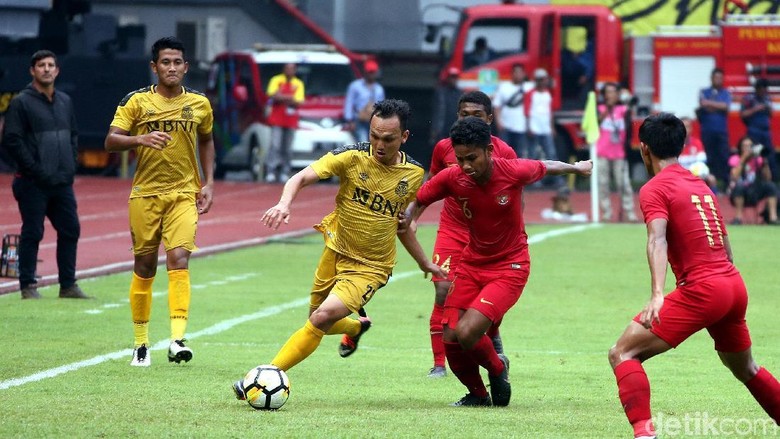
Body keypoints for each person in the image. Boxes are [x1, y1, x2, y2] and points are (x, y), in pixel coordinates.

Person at [232, 99, 445, 400]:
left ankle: (265, 375)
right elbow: (301, 176)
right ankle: (357, 328)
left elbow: (403, 225)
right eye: (374, 135)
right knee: (316, 317)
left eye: (388, 139)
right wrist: (284, 202)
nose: (379, 144)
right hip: (335, 250)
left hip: (372, 266)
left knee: (320, 318)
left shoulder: (412, 174)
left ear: (404, 137)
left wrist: (425, 263)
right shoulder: (352, 157)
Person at [608, 113, 780, 439]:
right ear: (682, 146)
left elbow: (656, 238)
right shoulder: (699, 184)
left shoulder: (654, 188)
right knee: (746, 368)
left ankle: (645, 435)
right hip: (733, 286)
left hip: (704, 290)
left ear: (644, 149)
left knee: (622, 352)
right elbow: (727, 249)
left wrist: (658, 293)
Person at [405, 116, 592, 407]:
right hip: (471, 264)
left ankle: (497, 368)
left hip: (510, 267)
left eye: (473, 158)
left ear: (489, 151)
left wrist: (577, 168)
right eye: (461, 158)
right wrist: (411, 216)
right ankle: (478, 395)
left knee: (468, 332)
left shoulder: (512, 171)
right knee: (451, 337)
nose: (466, 166)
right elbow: (420, 197)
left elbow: (546, 166)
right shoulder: (454, 177)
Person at [104, 36, 215, 367]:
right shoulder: (136, 102)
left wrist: (208, 183)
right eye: (165, 62)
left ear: (186, 67)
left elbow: (207, 141)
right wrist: (140, 138)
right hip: (145, 195)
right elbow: (111, 140)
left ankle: (177, 339)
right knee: (145, 265)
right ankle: (141, 343)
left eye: (177, 62)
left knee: (179, 257)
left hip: (183, 194)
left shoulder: (199, 103)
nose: (171, 68)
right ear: (154, 67)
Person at [419, 90, 518, 378]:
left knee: (484, 295)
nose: (470, 119)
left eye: (477, 115)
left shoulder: (504, 153)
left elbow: (515, 197)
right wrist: (413, 219)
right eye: (464, 114)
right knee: (441, 289)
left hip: (488, 235)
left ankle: (493, 336)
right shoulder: (444, 148)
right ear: (457, 116)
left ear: (489, 119)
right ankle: (439, 363)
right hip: (454, 227)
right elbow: (432, 185)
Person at [2, 50, 91, 300]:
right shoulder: (21, 102)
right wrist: (36, 170)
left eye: (51, 65)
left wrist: (70, 164)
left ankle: (68, 285)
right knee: (33, 232)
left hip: (62, 181)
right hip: (33, 182)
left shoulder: (65, 101)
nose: (47, 69)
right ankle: (28, 285)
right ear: (32, 71)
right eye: (41, 65)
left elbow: (73, 134)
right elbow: (13, 141)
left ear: (57, 70)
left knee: (70, 229)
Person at [596, 82, 637, 222]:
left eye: (613, 92)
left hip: (619, 153)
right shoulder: (599, 108)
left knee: (624, 183)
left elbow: (629, 130)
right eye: (607, 92)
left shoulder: (624, 110)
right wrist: (607, 110)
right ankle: (606, 213)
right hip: (602, 152)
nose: (610, 95)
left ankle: (629, 211)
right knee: (603, 184)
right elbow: (596, 123)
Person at [265, 62, 304, 183]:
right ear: (284, 69)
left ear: (295, 70)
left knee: (287, 147)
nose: (289, 71)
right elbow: (272, 95)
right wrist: (289, 98)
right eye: (287, 68)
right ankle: (271, 170)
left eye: (292, 69)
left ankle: (284, 171)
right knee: (275, 145)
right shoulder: (276, 80)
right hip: (277, 119)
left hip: (291, 120)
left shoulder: (298, 83)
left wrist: (282, 96)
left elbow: (298, 101)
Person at [726, 136, 778, 225]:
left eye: (750, 146)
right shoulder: (735, 159)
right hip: (738, 191)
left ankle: (773, 218)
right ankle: (738, 218)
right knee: (739, 187)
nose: (747, 148)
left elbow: (768, 178)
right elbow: (734, 176)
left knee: (771, 186)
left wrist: (765, 163)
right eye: (745, 146)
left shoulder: (758, 159)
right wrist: (743, 159)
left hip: (755, 190)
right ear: (740, 147)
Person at [525, 68, 563, 187]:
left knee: (551, 154)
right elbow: (527, 112)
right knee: (533, 156)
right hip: (534, 128)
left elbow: (550, 112)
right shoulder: (530, 93)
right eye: (539, 80)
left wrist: (552, 127)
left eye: (544, 79)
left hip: (545, 129)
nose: (542, 82)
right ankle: (533, 180)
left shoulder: (548, 94)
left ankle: (557, 179)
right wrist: (529, 126)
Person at [697, 68, 732, 185]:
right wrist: (717, 106)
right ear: (711, 78)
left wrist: (710, 104)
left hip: (721, 132)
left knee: (723, 157)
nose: (718, 80)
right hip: (707, 131)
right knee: (708, 158)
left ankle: (726, 184)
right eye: (716, 77)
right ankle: (709, 185)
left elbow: (725, 106)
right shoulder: (704, 91)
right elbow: (703, 104)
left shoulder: (725, 92)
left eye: (720, 78)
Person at [740, 77, 777, 181]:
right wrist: (756, 109)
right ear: (756, 88)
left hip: (765, 131)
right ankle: (751, 178)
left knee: (769, 155)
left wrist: (768, 109)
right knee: (753, 155)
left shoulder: (767, 99)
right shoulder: (748, 99)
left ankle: (772, 180)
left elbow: (770, 114)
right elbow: (743, 114)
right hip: (753, 131)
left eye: (764, 89)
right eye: (760, 88)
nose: (763, 91)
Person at [493, 63, 532, 157]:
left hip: (521, 127)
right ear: (512, 74)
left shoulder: (529, 87)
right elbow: (497, 105)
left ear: (524, 74)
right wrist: (498, 122)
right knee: (503, 154)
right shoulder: (504, 87)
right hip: (505, 126)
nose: (518, 75)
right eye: (516, 72)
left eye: (520, 72)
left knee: (519, 154)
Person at [344, 60, 385, 143]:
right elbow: (349, 103)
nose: (371, 74)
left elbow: (382, 106)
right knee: (363, 142)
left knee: (373, 143)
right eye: (369, 72)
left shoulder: (379, 89)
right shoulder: (355, 86)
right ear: (365, 72)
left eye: (373, 72)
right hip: (359, 120)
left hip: (374, 120)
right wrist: (349, 120)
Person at [678, 117, 718, 191]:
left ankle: (712, 201)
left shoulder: (697, 143)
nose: (685, 129)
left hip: (695, 174)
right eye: (683, 127)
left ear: (691, 128)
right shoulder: (674, 145)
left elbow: (701, 163)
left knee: (711, 179)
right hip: (679, 175)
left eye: (688, 126)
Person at [430, 67, 461, 145]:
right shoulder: (441, 92)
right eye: (452, 77)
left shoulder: (460, 93)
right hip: (442, 127)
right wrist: (434, 128)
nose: (453, 79)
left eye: (455, 77)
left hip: (456, 127)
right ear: (448, 78)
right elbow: (436, 111)